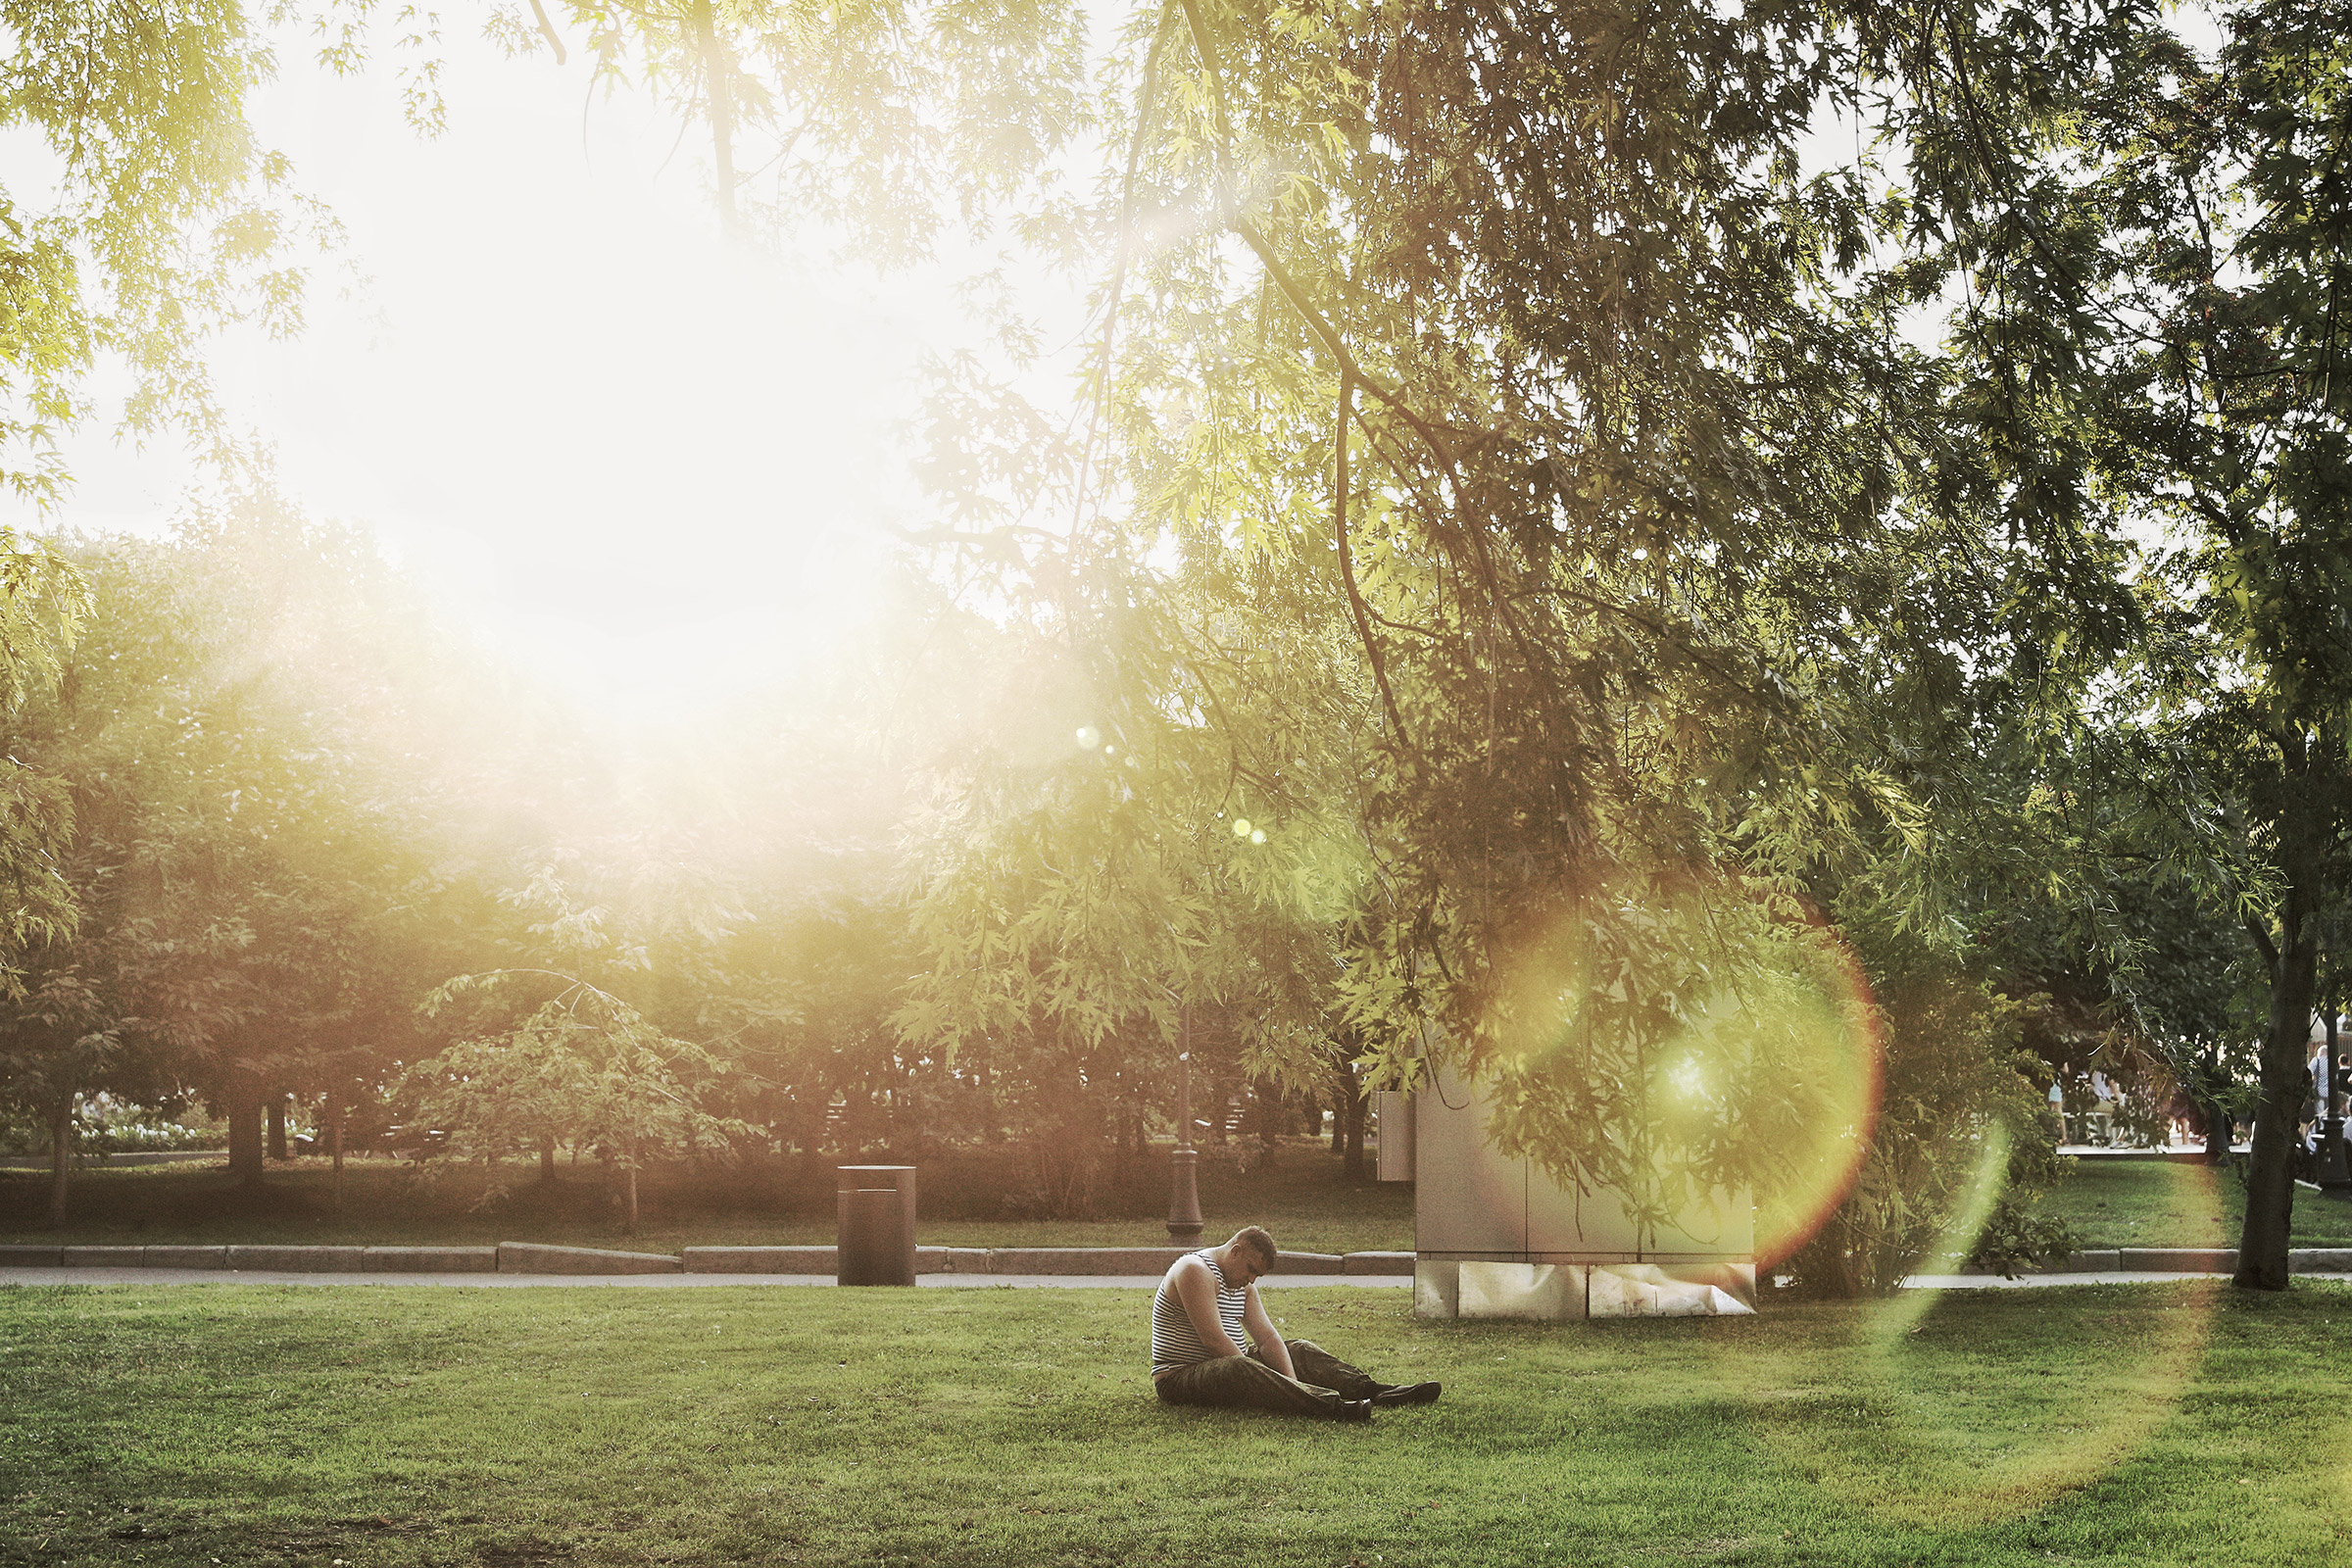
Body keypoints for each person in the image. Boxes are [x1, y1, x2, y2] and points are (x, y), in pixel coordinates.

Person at [1150, 1226, 1441, 1422]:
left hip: (1232, 1364)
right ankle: (1334, 1408)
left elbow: (1267, 1339)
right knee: (1239, 1366)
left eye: (1257, 1276)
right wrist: (1279, 1382)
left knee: (1297, 1349)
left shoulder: (1243, 1285)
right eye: (1251, 1269)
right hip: (1179, 1378)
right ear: (1235, 1251)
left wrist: (1292, 1383)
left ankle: (1377, 1391)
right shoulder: (1194, 1270)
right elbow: (1213, 1340)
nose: (1251, 1280)